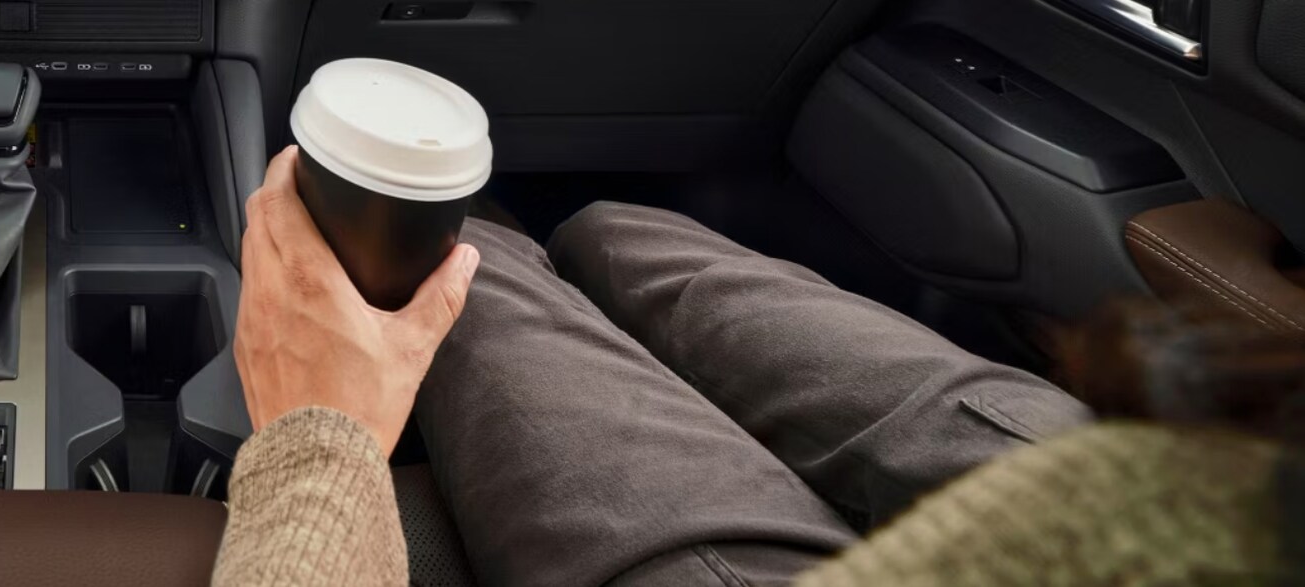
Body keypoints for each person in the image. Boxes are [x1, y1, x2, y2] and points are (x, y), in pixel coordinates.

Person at [213, 147, 1293, 587]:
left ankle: (506, 249)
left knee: (481, 258)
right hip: (1190, 502)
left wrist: (318, 437)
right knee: (624, 233)